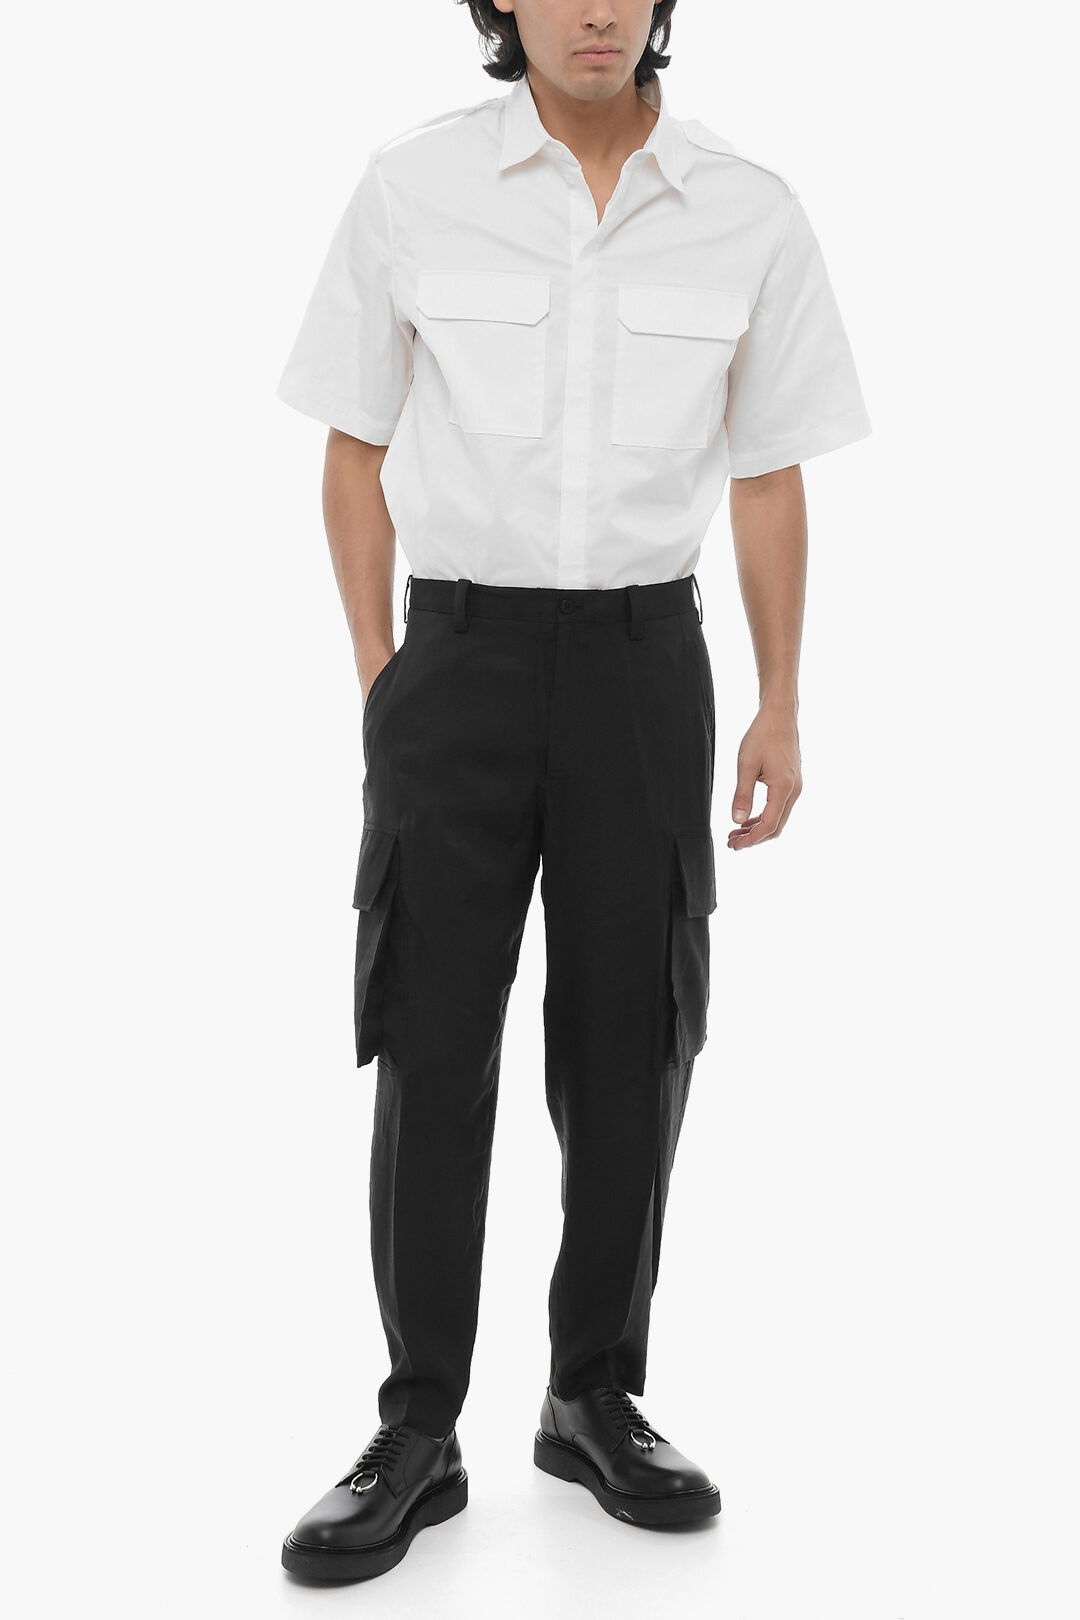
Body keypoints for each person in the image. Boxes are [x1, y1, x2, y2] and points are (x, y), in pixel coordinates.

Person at [275, 0, 871, 1584]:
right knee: (429, 1037)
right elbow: (352, 449)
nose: (596, 10)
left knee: (632, 1038)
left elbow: (769, 471)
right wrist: (382, 678)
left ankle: (593, 1395)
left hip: (642, 666)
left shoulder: (748, 207)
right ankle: (417, 1430)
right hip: (456, 663)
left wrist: (781, 700)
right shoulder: (413, 186)